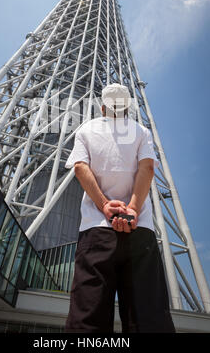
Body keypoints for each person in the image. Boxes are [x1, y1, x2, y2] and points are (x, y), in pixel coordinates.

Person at [64, 83, 176, 333]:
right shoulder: (141, 131)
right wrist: (133, 208)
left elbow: (80, 167)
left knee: (88, 315)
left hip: (97, 231)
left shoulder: (86, 129)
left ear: (103, 107)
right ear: (127, 108)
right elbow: (147, 168)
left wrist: (104, 204)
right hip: (140, 232)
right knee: (148, 316)